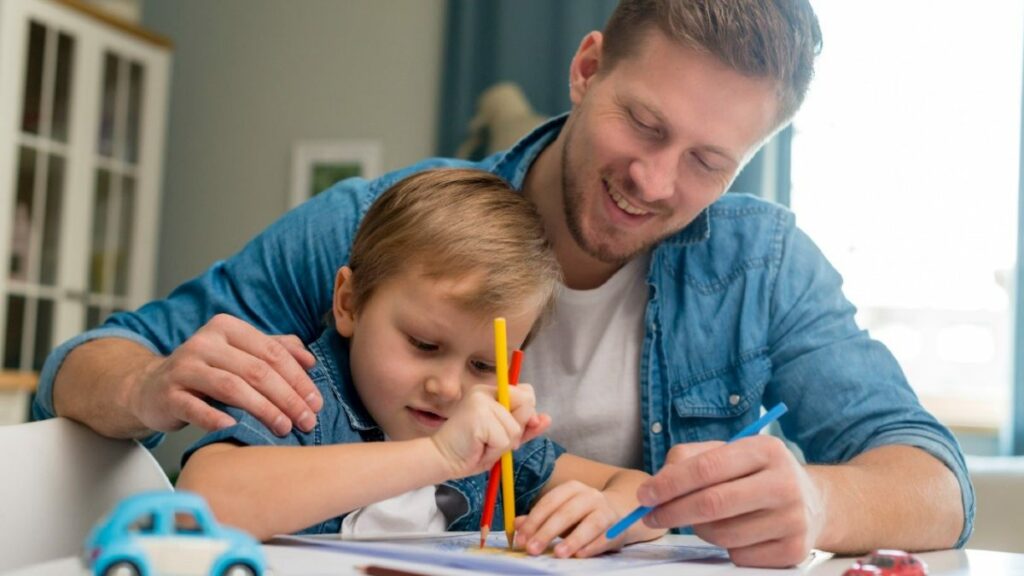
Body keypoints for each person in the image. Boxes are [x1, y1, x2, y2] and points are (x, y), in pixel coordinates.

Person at [36, 0, 973, 568]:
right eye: (644, 125)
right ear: (587, 67)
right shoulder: (384, 225)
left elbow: (933, 480)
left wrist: (811, 503)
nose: (655, 181)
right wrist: (141, 385)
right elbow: (83, 369)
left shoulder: (763, 265)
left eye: (708, 162)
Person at [175, 168, 664, 555]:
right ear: (349, 302)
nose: (449, 389)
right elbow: (201, 499)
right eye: (424, 345)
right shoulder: (299, 396)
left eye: (483, 366)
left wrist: (611, 510)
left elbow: (640, 490)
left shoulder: (492, 444)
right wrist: (439, 457)